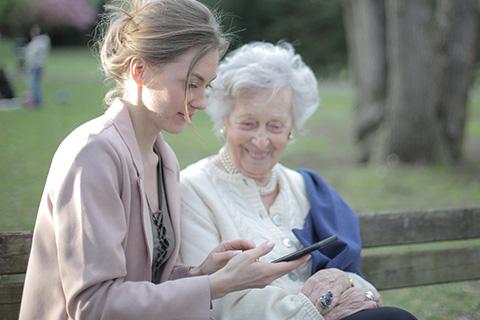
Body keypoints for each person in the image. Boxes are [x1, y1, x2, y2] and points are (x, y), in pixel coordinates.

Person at [19, 2, 309, 319]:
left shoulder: (163, 158)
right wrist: (212, 287)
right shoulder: (92, 154)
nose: (200, 102)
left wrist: (201, 273)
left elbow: (145, 282)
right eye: (190, 83)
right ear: (139, 70)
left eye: (206, 86)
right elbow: (95, 305)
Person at [178, 42, 418, 320]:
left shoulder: (306, 188)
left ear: (291, 130)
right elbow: (219, 302)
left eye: (275, 126)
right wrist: (313, 309)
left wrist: (346, 283)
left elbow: (359, 284)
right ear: (225, 122)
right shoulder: (193, 190)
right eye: (248, 123)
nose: (261, 140)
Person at [24, 23, 50, 107]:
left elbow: (32, 53)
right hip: (36, 65)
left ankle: (36, 101)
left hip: (36, 65)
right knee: (34, 84)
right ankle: (36, 100)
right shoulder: (39, 41)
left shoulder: (41, 41)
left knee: (34, 83)